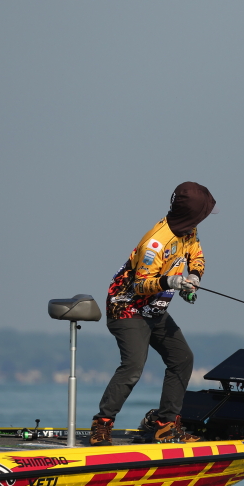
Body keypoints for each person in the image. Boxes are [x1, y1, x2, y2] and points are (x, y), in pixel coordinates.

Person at [89, 182, 216, 446]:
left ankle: (165, 426)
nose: (202, 220)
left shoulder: (189, 230)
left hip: (154, 310)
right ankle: (102, 424)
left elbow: (196, 255)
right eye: (201, 214)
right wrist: (171, 282)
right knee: (133, 367)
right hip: (126, 307)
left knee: (182, 358)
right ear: (190, 213)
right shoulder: (155, 244)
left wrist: (194, 276)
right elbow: (140, 285)